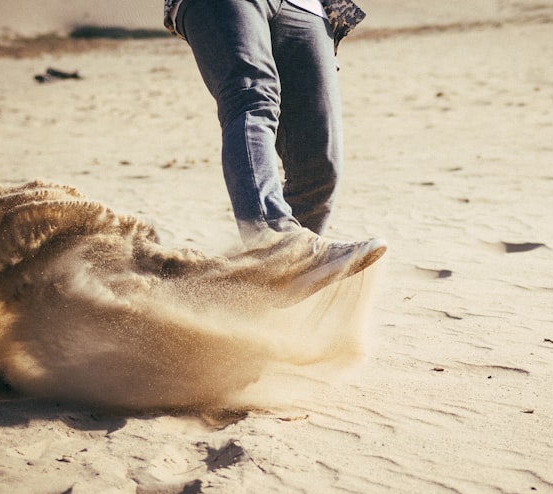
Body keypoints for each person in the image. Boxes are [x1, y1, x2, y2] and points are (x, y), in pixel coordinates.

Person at [162, 0, 386, 299]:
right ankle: (279, 244)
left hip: (306, 6)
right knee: (253, 100)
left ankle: (270, 289)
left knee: (319, 159)